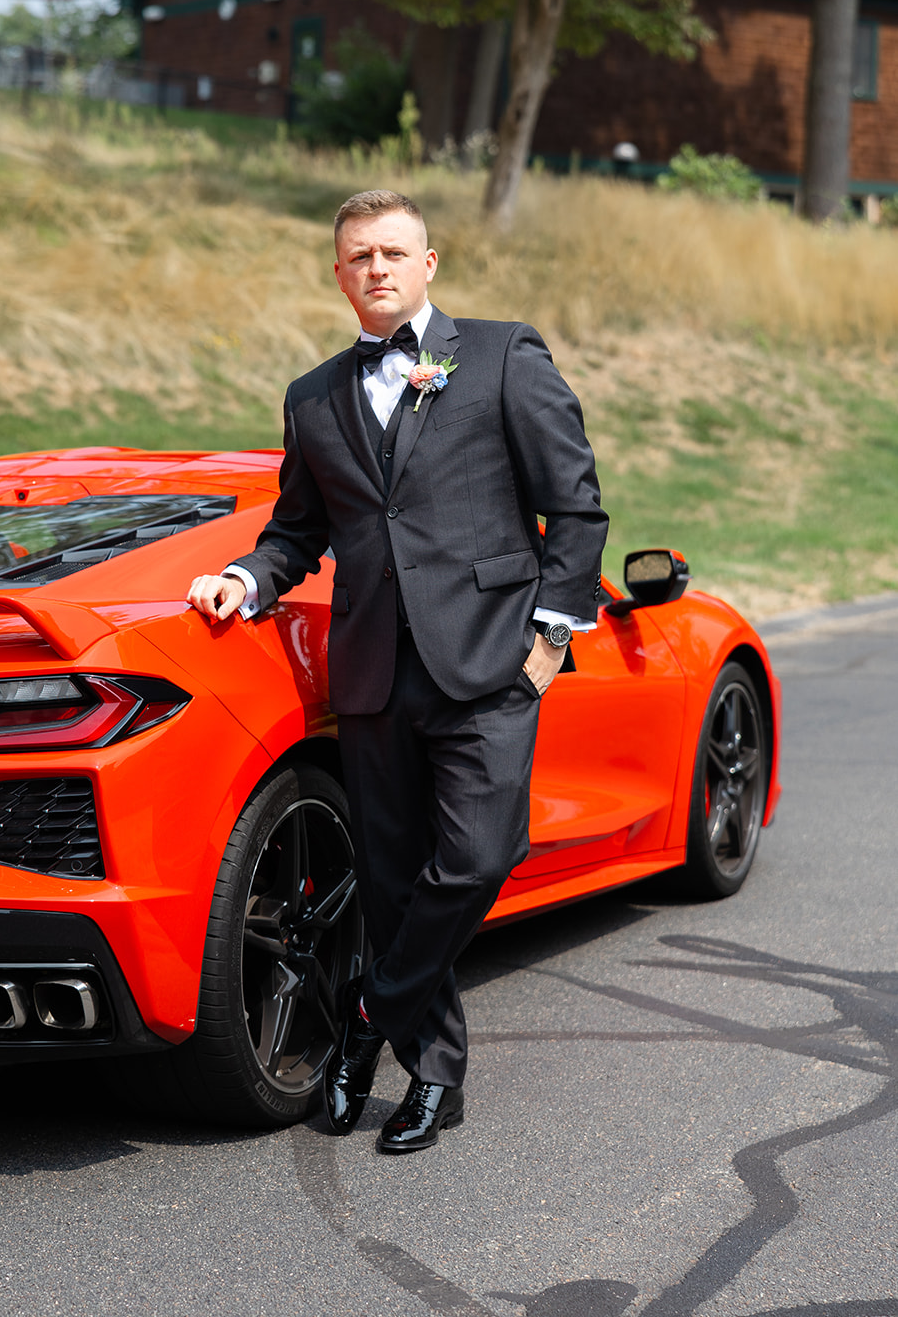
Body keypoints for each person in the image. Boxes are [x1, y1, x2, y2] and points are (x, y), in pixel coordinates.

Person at [186, 189, 607, 1154]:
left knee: (476, 861)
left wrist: (548, 640)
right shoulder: (312, 397)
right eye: (357, 256)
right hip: (372, 673)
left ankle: (364, 1018)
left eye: (392, 252)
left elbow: (574, 507)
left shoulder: (503, 355)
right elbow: (297, 531)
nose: (375, 268)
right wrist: (243, 581)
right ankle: (434, 1079)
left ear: (428, 264)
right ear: (338, 276)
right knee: (388, 884)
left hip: (491, 663)